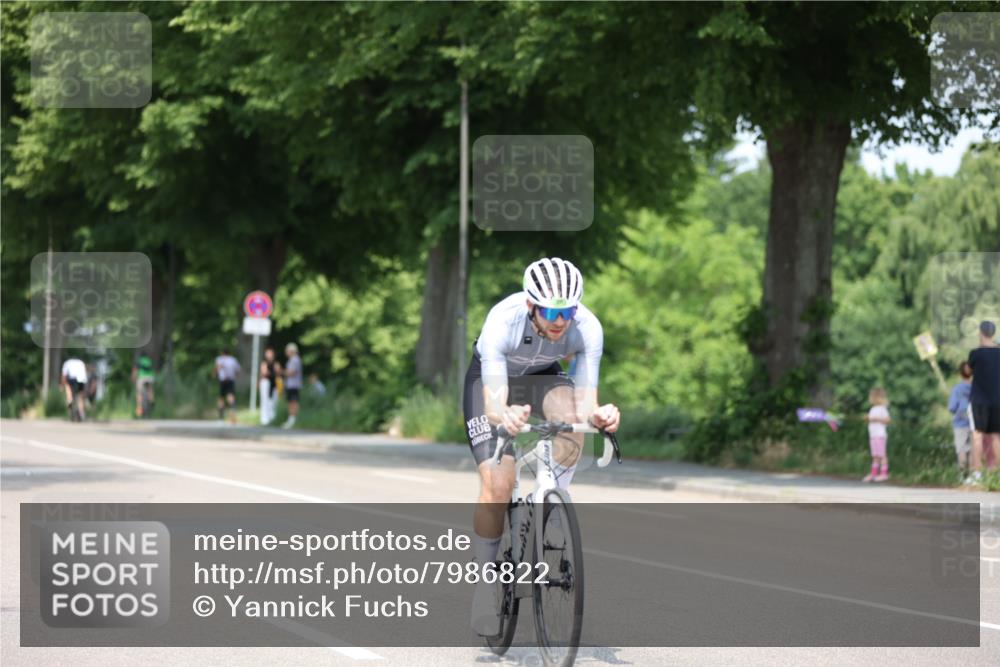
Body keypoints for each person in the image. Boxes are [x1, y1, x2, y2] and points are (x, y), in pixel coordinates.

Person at [464, 257, 620, 636]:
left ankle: (550, 500)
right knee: (498, 485)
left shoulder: (587, 328)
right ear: (531, 305)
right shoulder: (503, 320)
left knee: (573, 424)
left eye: (568, 311)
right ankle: (485, 585)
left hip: (544, 379)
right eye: (551, 310)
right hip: (493, 384)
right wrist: (507, 417)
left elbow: (585, 402)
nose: (560, 320)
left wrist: (599, 415)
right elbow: (494, 405)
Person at [966, 320, 1000, 485]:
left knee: (977, 436)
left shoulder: (975, 354)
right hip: (998, 400)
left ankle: (976, 474)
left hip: (979, 400)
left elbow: (968, 371)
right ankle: (997, 474)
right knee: (996, 436)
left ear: (981, 333)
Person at [948, 362, 973, 474]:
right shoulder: (976, 388)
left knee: (961, 449)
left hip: (960, 422)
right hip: (975, 422)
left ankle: (963, 474)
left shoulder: (957, 389)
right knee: (973, 449)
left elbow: (952, 407)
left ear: (960, 373)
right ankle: (974, 475)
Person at [862, 387, 891, 482]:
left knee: (882, 455)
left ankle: (884, 473)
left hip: (880, 435)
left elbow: (888, 420)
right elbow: (870, 421)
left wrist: (877, 419)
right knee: (875, 455)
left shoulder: (882, 409)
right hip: (873, 436)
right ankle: (873, 474)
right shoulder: (873, 409)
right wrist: (867, 418)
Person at [214, 348, 241, 424]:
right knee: (231, 398)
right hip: (231, 380)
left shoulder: (220, 359)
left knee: (221, 399)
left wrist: (215, 374)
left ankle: (221, 418)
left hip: (223, 381)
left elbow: (218, 368)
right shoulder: (233, 360)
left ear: (222, 353)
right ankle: (233, 414)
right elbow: (238, 370)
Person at [60, 356, 88, 421]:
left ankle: (69, 399)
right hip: (81, 380)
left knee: (67, 386)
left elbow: (64, 376)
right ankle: (82, 413)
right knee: (80, 396)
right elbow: (84, 374)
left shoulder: (67, 363)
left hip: (72, 379)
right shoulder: (81, 362)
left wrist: (62, 385)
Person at [259, 347, 281, 426]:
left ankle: (273, 418)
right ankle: (264, 419)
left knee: (274, 401)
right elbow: (264, 373)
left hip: (274, 383)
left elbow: (278, 372)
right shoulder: (264, 363)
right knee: (265, 400)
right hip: (266, 382)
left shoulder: (276, 363)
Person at [282, 342, 302, 429]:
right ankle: (291, 419)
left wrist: (282, 372)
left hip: (294, 385)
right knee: (291, 402)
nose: (286, 352)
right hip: (291, 385)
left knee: (293, 402)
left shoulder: (295, 360)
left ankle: (293, 419)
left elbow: (292, 372)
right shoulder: (292, 360)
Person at [132, 353, 156, 418]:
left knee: (139, 392)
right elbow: (152, 370)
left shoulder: (139, 361)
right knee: (150, 389)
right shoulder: (149, 361)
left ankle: (139, 407)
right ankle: (152, 400)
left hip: (142, 378)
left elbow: (135, 370)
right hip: (150, 377)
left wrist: (134, 377)